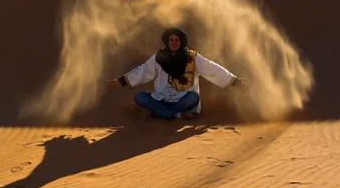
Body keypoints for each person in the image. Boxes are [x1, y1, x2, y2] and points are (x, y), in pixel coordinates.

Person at [105, 27, 247, 120]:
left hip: (183, 100)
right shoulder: (159, 57)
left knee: (193, 97)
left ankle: (166, 113)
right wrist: (120, 82)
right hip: (162, 99)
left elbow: (212, 69)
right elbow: (142, 71)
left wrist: (235, 81)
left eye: (176, 40)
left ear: (181, 42)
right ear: (167, 42)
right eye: (171, 40)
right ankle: (173, 114)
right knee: (139, 97)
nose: (173, 43)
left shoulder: (192, 57)